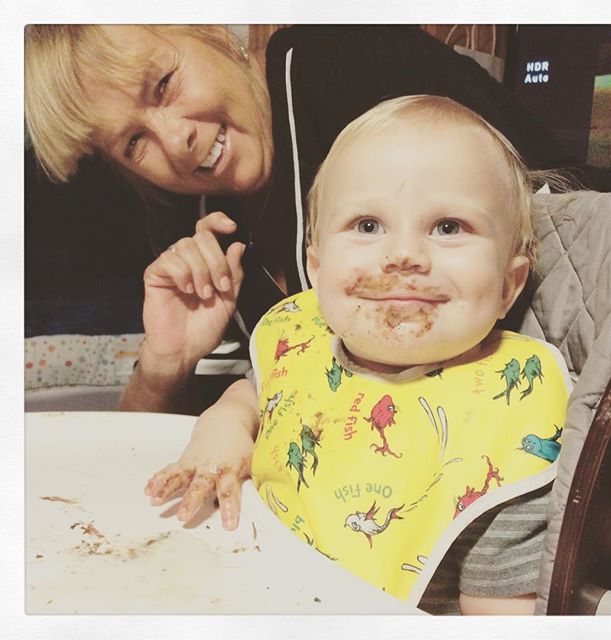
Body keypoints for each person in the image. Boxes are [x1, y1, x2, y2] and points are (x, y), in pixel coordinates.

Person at [25, 25, 584, 564]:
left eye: (164, 84)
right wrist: (166, 363)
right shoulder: (195, 232)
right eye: (133, 142)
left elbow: (573, 222)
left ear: (212, 33)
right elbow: (178, 444)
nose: (175, 140)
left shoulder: (347, 63)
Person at [145, 96, 572, 614]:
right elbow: (263, 389)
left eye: (449, 227)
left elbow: (500, 613)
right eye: (368, 225)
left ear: (509, 285)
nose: (403, 255)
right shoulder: (300, 339)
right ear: (317, 268)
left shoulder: (512, 422)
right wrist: (227, 424)